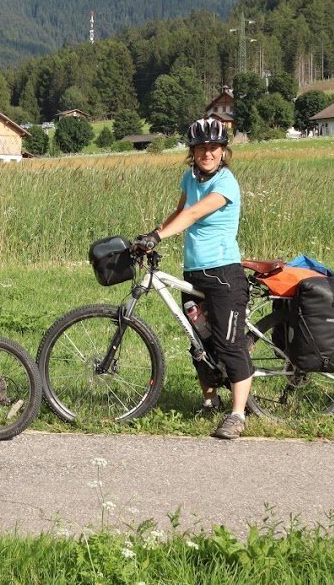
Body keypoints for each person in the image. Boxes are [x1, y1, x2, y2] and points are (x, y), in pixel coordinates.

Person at [132, 118, 252, 440]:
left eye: (213, 148)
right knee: (198, 340)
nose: (207, 153)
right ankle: (210, 401)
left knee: (229, 345)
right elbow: (180, 211)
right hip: (194, 272)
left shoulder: (226, 183)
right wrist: (152, 234)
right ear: (193, 152)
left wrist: (159, 236)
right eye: (201, 148)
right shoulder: (190, 177)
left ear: (223, 152)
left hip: (224, 273)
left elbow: (195, 214)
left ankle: (238, 414)